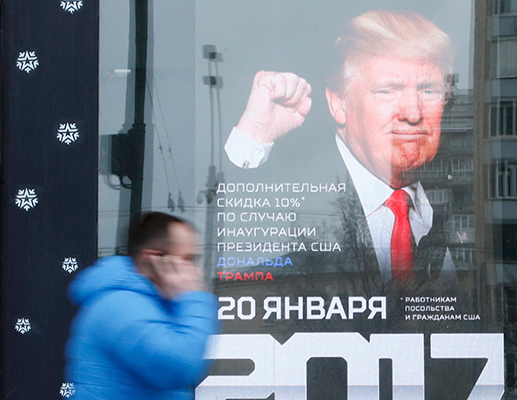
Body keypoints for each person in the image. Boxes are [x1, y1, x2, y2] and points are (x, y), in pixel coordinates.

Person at [224, 10, 457, 283]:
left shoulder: (450, 213)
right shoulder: (304, 196)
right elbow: (224, 220)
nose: (413, 113)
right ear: (338, 102)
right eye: (388, 90)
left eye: (428, 90)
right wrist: (254, 134)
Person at [64, 212, 218, 400]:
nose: (197, 271)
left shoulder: (153, 304)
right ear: (153, 259)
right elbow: (179, 366)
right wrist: (193, 297)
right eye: (187, 259)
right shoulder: (120, 307)